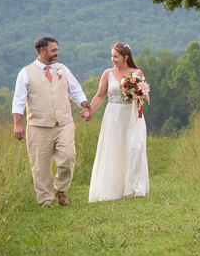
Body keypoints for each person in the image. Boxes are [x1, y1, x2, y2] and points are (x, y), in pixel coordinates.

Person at [12, 37, 91, 208]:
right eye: (54, 50)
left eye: (57, 50)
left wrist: (85, 106)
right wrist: (18, 124)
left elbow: (76, 90)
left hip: (64, 123)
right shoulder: (26, 73)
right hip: (38, 126)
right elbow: (18, 100)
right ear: (42, 51)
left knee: (68, 157)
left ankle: (60, 189)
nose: (57, 53)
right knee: (40, 166)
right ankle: (46, 200)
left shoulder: (62, 69)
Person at [86, 42, 149, 202]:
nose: (113, 59)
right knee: (115, 150)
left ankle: (136, 188)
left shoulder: (137, 73)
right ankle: (115, 189)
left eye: (116, 56)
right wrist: (89, 110)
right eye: (112, 56)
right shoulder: (108, 73)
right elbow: (100, 95)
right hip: (114, 116)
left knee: (135, 148)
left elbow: (144, 96)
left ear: (125, 57)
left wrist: (137, 94)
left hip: (133, 115)